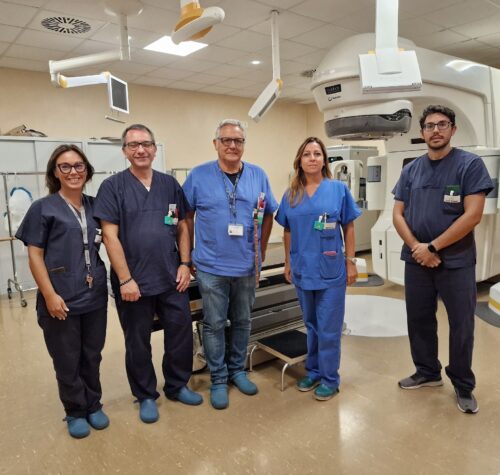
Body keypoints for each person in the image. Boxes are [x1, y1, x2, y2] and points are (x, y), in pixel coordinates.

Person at [94, 124, 202, 424]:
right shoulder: (112, 187)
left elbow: (182, 226)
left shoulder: (169, 185)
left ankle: (177, 385)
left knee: (180, 332)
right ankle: (145, 395)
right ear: (124, 151)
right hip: (134, 282)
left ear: (154, 149)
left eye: (146, 144)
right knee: (137, 341)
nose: (140, 150)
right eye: (133, 145)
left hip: (171, 276)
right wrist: (125, 279)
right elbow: (109, 236)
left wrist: (184, 263)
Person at [392, 105, 494, 414]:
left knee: (461, 324)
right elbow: (398, 214)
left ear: (453, 129)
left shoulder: (469, 165)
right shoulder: (411, 170)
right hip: (417, 261)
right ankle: (427, 372)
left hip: (456, 261)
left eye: (442, 124)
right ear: (422, 132)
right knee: (418, 319)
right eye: (430, 126)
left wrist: (433, 248)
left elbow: (473, 215)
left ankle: (463, 384)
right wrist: (418, 248)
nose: (436, 130)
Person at [183, 119, 278, 410]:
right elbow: (186, 218)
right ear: (216, 144)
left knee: (242, 320)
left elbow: (268, 214)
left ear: (243, 145)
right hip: (211, 267)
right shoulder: (198, 176)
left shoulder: (258, 175)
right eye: (226, 140)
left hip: (246, 266)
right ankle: (219, 378)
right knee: (213, 324)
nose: (232, 145)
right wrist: (187, 256)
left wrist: (260, 251)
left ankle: (237, 370)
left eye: (238, 140)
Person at [16, 144, 109, 439]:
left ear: (87, 170)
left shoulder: (96, 206)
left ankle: (93, 404)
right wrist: (49, 295)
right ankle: (75, 411)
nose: (73, 172)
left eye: (78, 166)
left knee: (92, 355)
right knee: (67, 358)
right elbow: (35, 255)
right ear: (55, 173)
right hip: (61, 296)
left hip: (94, 294)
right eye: (65, 167)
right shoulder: (43, 208)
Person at [275, 137, 361, 401]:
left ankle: (330, 378)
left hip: (331, 269)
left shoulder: (338, 190)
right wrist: (288, 262)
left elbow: (348, 226)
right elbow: (288, 230)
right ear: (299, 161)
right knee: (310, 324)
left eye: (317, 153)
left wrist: (351, 261)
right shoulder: (291, 194)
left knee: (329, 328)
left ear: (324, 160)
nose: (312, 158)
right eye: (307, 154)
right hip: (303, 268)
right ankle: (312, 371)